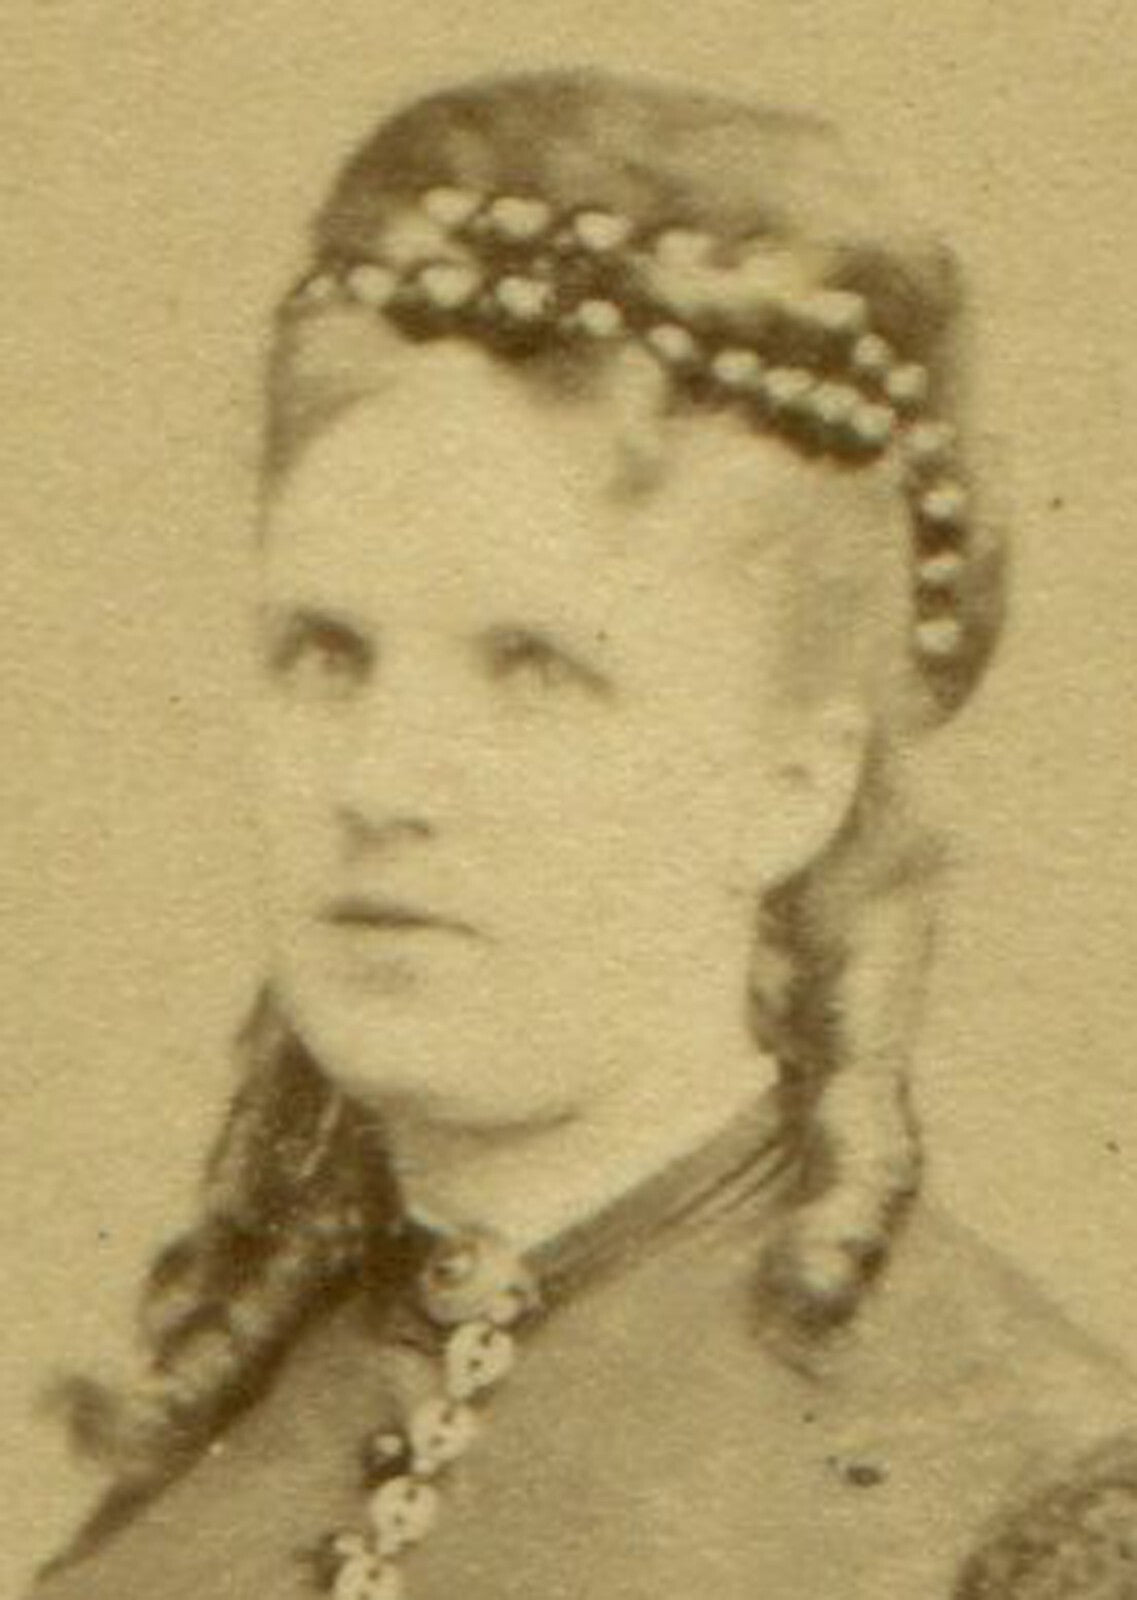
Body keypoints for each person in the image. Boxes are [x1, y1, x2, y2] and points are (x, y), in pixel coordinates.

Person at [31, 67, 1137, 1600]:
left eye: (535, 670)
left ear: (790, 785)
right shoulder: (214, 1448)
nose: (382, 776)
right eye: (325, 653)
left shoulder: (1024, 1498)